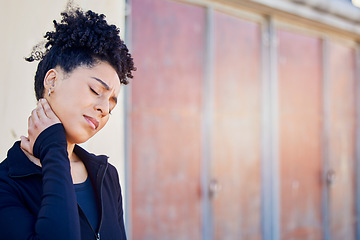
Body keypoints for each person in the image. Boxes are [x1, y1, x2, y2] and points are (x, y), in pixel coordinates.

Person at [0, 6, 135, 240]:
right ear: (52, 80)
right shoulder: (6, 184)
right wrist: (54, 149)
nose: (104, 109)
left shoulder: (107, 176)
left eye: (111, 105)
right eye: (95, 90)